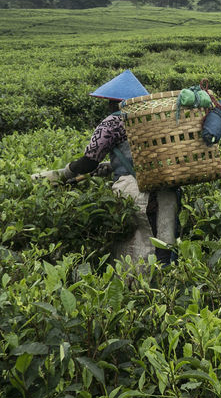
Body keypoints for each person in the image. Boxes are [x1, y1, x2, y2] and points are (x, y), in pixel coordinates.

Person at [31, 70, 182, 264]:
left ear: (116, 102)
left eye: (110, 102)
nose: (109, 106)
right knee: (166, 244)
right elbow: (145, 158)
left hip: (138, 193)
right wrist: (112, 167)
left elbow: (88, 161)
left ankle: (139, 290)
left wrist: (65, 173)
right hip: (167, 190)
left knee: (138, 249)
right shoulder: (155, 119)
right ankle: (168, 286)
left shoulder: (113, 122)